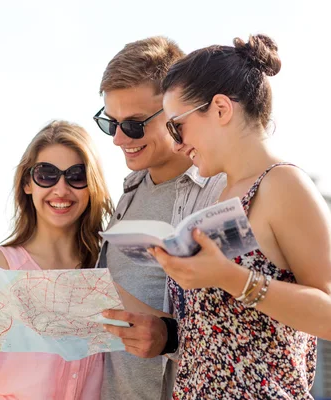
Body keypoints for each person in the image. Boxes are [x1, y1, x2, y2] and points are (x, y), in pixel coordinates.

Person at [148, 33, 331, 399]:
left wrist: (228, 276)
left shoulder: (284, 185)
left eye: (177, 126)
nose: (176, 144)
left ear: (221, 108)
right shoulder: (222, 196)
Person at [94, 37, 226, 400]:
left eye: (135, 125)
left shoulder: (221, 193)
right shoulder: (129, 192)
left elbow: (244, 329)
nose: (119, 139)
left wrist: (171, 336)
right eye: (111, 123)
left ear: (175, 110)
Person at [0, 121, 113, 399]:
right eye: (47, 174)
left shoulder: (106, 263)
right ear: (27, 183)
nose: (61, 189)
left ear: (91, 184)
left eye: (76, 175)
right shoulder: (1, 265)